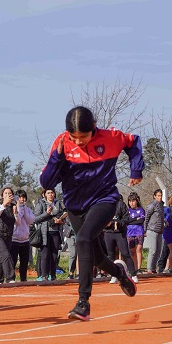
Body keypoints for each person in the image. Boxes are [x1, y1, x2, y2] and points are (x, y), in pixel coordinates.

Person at [40, 106, 143, 321]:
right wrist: (57, 158)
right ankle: (120, 274)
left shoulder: (111, 137)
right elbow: (46, 182)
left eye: (83, 137)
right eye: (74, 137)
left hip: (104, 200)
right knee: (95, 256)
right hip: (75, 206)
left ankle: (83, 303)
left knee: (83, 239)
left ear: (94, 127)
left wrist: (136, 169)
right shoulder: (61, 142)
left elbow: (133, 142)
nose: (78, 142)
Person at [33, 189, 66, 281]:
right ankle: (44, 276)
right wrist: (46, 213)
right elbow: (35, 219)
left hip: (56, 232)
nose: (50, 194)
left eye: (52, 193)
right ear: (44, 195)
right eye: (48, 193)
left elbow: (64, 217)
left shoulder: (58, 203)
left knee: (54, 255)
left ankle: (53, 275)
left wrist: (61, 220)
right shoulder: (41, 204)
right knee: (45, 254)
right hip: (45, 232)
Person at [104, 194, 135, 284]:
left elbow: (126, 218)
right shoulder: (104, 204)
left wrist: (119, 223)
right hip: (108, 233)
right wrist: (106, 224)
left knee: (125, 254)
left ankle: (133, 275)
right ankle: (114, 275)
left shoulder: (121, 204)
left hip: (119, 233)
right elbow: (100, 217)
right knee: (111, 255)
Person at [10, 190, 37, 282]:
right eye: (20, 197)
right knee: (13, 261)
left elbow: (31, 220)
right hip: (14, 239)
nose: (22, 199)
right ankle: (11, 278)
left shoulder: (28, 209)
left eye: (23, 197)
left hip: (25, 239)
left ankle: (23, 279)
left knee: (24, 262)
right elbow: (18, 220)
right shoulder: (13, 208)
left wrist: (23, 209)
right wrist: (18, 208)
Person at [0, 186, 17, 283]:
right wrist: (4, 204)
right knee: (6, 255)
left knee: (0, 258)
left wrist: (16, 213)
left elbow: (17, 222)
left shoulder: (13, 207)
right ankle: (10, 277)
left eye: (9, 193)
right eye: (6, 193)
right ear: (2, 195)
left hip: (8, 235)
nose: (8, 195)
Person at [143, 189, 165, 274]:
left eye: (161, 195)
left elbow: (159, 217)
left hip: (160, 230)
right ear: (154, 196)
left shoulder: (161, 205)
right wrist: (145, 230)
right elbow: (146, 218)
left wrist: (164, 221)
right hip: (152, 229)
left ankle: (153, 268)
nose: (160, 197)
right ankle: (149, 268)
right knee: (153, 250)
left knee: (158, 250)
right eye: (158, 196)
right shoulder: (151, 205)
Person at [126, 192, 145, 276]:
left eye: (133, 201)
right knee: (132, 251)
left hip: (139, 232)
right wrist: (135, 219)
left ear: (136, 201)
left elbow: (141, 220)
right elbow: (127, 221)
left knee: (138, 249)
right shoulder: (127, 211)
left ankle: (139, 268)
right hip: (129, 233)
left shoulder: (141, 210)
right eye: (130, 201)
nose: (132, 203)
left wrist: (132, 220)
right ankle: (134, 268)